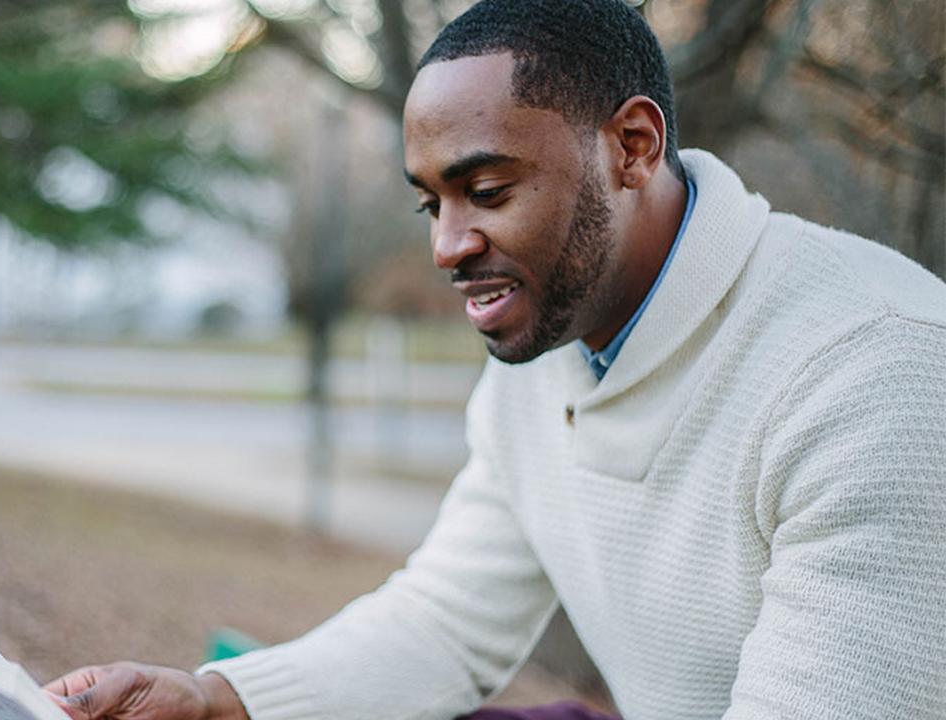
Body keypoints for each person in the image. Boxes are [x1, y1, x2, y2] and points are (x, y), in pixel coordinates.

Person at [46, 1, 946, 718]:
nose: (447, 245)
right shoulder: (553, 344)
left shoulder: (875, 373)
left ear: (632, 146)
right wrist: (213, 701)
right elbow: (446, 624)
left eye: (485, 191)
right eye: (429, 204)